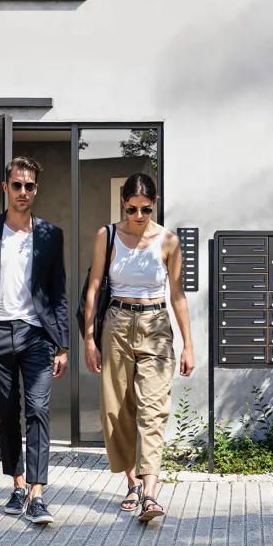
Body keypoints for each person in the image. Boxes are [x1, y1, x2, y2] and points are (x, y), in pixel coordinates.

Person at [0, 153, 69, 526]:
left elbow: (58, 294)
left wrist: (63, 344)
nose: (23, 191)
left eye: (30, 186)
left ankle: (38, 494)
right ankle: (17, 485)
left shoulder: (51, 236)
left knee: (37, 410)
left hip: (37, 334)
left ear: (36, 190)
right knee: (7, 416)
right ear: (6, 187)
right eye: (17, 185)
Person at [82, 171, 194, 524]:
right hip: (116, 324)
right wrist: (88, 338)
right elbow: (94, 288)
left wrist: (189, 344)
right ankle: (131, 483)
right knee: (116, 409)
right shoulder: (108, 235)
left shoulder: (168, 241)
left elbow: (177, 295)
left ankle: (149, 494)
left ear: (154, 204)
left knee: (153, 407)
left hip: (156, 325)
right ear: (123, 203)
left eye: (146, 209)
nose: (140, 216)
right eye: (133, 209)